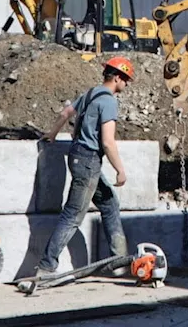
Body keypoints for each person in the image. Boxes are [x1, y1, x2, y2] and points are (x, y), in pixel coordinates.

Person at [34, 55, 133, 278]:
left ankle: (119, 261)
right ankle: (46, 267)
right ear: (117, 78)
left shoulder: (90, 93)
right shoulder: (108, 100)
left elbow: (66, 112)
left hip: (77, 155)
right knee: (72, 215)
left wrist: (52, 134)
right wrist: (120, 170)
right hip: (88, 161)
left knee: (108, 203)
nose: (126, 84)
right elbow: (108, 141)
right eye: (126, 79)